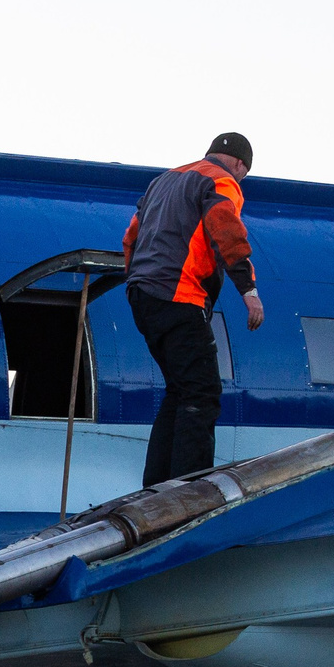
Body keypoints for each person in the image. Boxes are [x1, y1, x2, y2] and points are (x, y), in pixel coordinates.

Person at [121, 131, 263, 486]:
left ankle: (156, 486)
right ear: (241, 165)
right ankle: (187, 493)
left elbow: (131, 237)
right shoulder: (221, 180)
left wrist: (138, 279)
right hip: (179, 296)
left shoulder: (164, 180)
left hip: (143, 295)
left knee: (179, 391)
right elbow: (225, 227)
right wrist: (249, 290)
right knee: (202, 393)